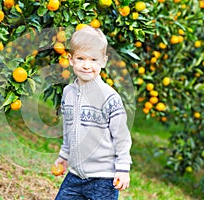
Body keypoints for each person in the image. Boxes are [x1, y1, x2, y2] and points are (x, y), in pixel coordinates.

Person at [54, 26, 132, 200]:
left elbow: (122, 137)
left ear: (103, 61)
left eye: (93, 59)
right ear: (71, 59)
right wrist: (64, 156)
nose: (86, 65)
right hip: (74, 176)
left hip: (103, 178)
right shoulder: (68, 93)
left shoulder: (109, 97)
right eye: (80, 58)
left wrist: (123, 168)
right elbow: (68, 129)